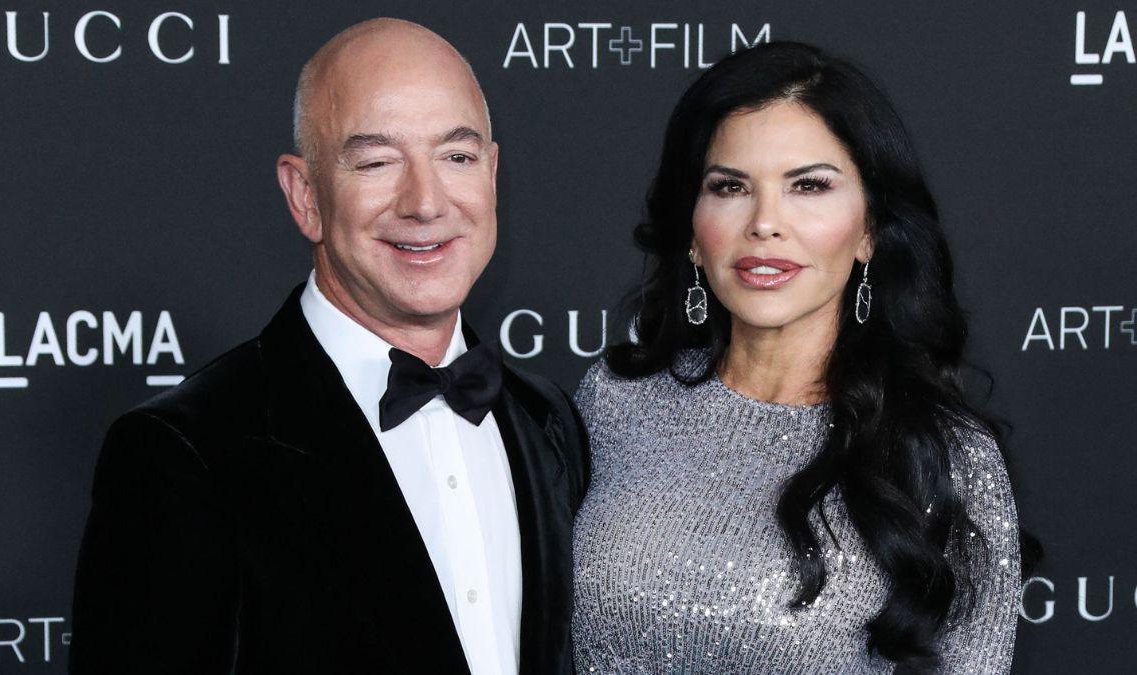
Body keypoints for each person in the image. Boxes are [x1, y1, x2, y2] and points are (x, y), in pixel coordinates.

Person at [69, 18, 588, 675]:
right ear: (305, 194)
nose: (426, 202)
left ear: (491, 172)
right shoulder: (184, 453)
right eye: (376, 162)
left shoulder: (544, 418)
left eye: (456, 156)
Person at [571, 42, 1025, 673]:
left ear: (869, 229)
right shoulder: (615, 400)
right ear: (693, 234)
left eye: (808, 186)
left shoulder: (944, 456)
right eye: (730, 187)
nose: (765, 223)